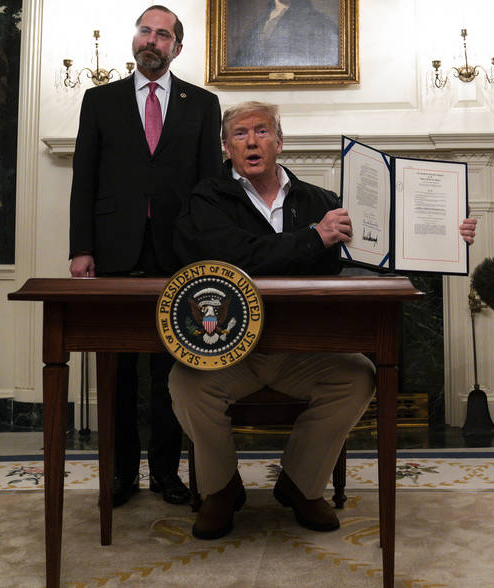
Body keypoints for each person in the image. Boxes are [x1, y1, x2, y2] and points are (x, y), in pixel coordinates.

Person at [170, 101, 477, 539]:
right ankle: (221, 489)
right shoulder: (206, 199)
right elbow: (232, 257)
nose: (252, 140)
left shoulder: (320, 201)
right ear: (226, 147)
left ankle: (300, 484)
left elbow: (376, 252)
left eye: (262, 131)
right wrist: (313, 237)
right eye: (240, 133)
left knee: (357, 377)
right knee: (185, 384)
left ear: (280, 142)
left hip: (304, 350)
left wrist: (448, 234)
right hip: (232, 351)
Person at [68, 5, 223, 508]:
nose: (151, 41)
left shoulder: (201, 103)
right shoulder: (100, 100)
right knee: (116, 370)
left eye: (162, 35)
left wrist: (206, 253)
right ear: (134, 40)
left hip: (177, 254)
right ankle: (119, 475)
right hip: (113, 250)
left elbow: (210, 188)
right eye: (144, 31)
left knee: (171, 372)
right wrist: (81, 249)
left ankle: (165, 473)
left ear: (177, 47)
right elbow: (84, 180)